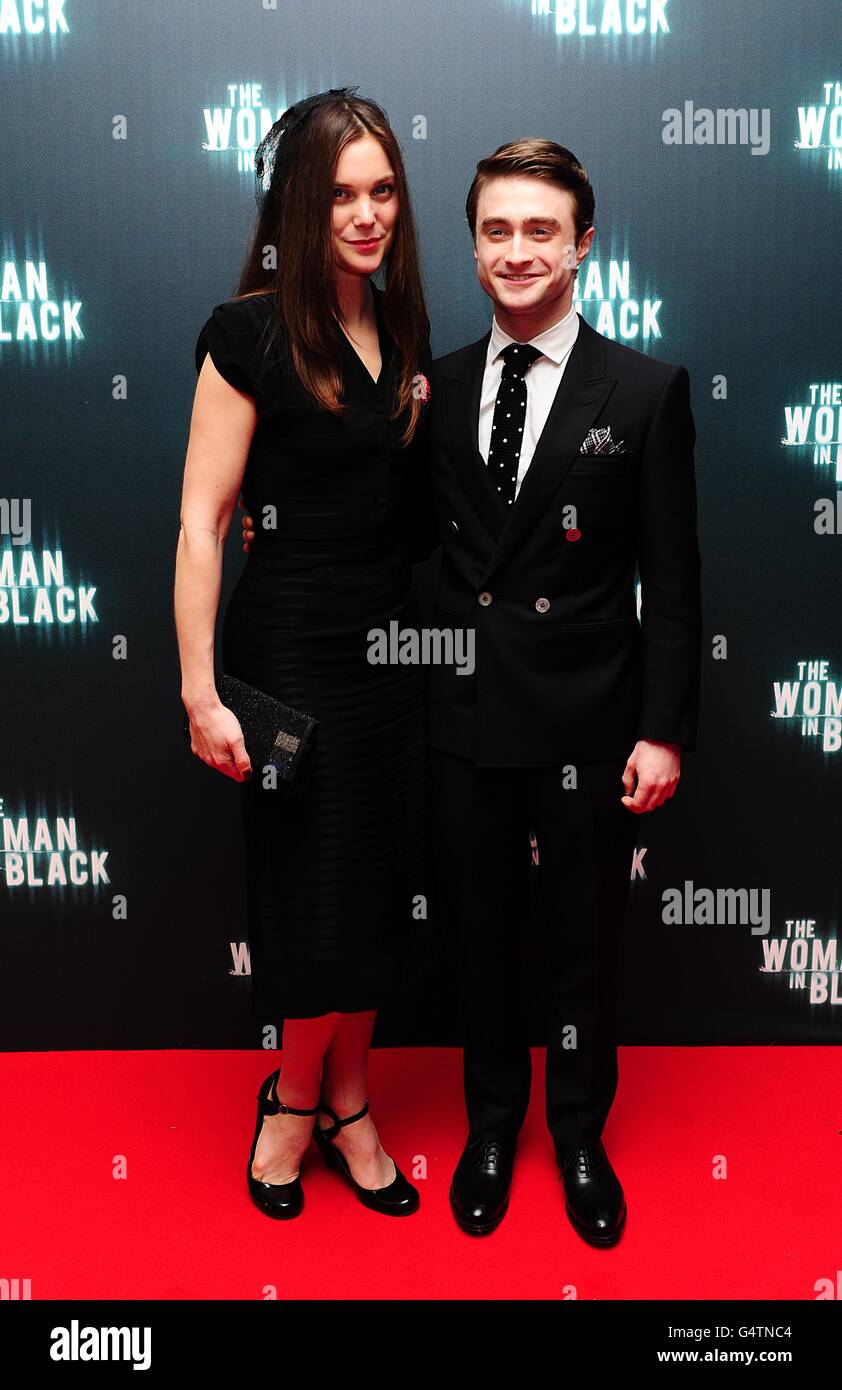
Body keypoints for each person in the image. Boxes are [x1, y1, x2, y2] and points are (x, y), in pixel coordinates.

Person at [427, 139, 702, 1245]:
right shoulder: (435, 387)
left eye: (540, 229)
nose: (516, 250)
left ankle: (578, 1134)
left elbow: (673, 583)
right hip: (461, 721)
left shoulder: (642, 391)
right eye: (496, 229)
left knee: (582, 942)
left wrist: (663, 733)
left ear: (583, 244)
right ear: (473, 243)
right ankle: (491, 1126)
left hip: (590, 721)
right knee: (479, 940)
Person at [174, 88, 434, 1221]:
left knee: (377, 891)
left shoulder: (407, 330)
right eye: (338, 193)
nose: (365, 213)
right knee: (313, 896)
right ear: (296, 201)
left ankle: (352, 1100)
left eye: (381, 191)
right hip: (287, 659)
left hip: (392, 658)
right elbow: (201, 521)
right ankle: (291, 1104)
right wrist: (197, 689)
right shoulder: (246, 333)